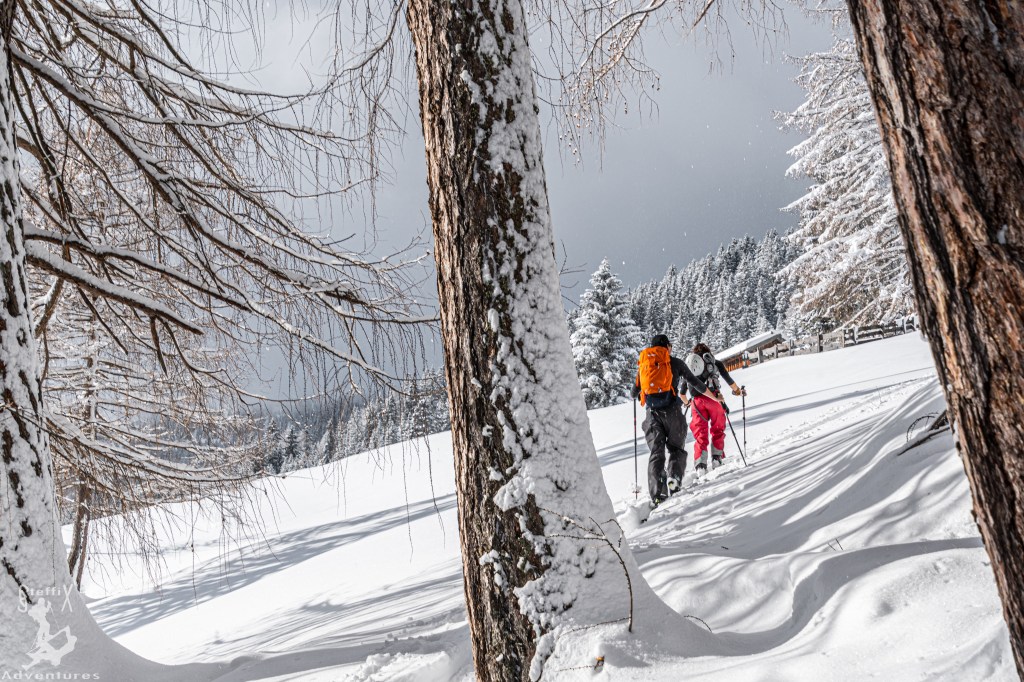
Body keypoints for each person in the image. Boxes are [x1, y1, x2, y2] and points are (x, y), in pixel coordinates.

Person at [631, 334, 726, 506]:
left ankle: (658, 494)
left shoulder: (644, 365)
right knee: (676, 449)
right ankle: (673, 479)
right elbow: (696, 383)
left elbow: (633, 393)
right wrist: (715, 397)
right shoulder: (675, 363)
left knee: (656, 453)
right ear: (667, 346)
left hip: (652, 416)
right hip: (673, 413)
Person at [683, 342, 747, 475]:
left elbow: (682, 393)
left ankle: (700, 465)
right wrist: (737, 391)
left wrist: (688, 403)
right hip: (715, 399)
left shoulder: (690, 366)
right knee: (718, 429)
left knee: (700, 433)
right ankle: (716, 458)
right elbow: (729, 380)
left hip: (697, 403)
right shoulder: (715, 363)